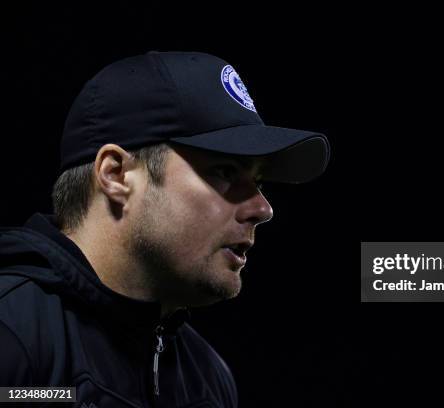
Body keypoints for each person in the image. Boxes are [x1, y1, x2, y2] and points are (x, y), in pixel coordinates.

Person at [0, 51, 329, 407]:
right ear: (116, 175)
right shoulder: (11, 333)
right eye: (225, 171)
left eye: (259, 182)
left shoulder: (208, 379)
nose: (262, 209)